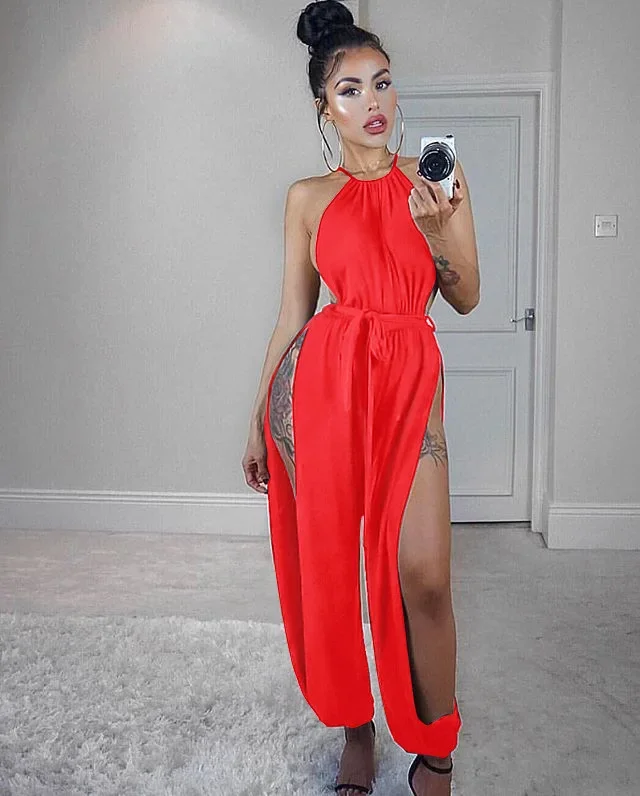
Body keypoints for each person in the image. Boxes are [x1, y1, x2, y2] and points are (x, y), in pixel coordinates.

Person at [242, 2, 480, 793]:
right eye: (350, 90)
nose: (372, 102)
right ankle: (355, 729)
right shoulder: (308, 198)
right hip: (328, 391)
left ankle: (435, 750)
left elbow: (467, 297)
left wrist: (438, 229)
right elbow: (292, 315)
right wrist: (257, 421)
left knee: (427, 579)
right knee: (332, 569)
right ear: (325, 108)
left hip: (410, 385)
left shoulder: (436, 181)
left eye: (382, 82)